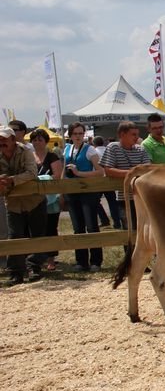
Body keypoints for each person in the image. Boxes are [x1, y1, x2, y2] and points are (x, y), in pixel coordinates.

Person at [0, 126, 48, 286]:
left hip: (33, 200)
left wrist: (12, 180)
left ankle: (34, 268)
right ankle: (16, 273)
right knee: (15, 236)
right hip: (13, 203)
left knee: (36, 235)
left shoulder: (26, 151)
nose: (2, 142)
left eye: (4, 138)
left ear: (13, 139)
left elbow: (31, 173)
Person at [63, 122, 105, 272]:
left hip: (88, 192)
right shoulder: (67, 149)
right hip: (72, 192)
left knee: (92, 226)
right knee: (77, 228)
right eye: (75, 134)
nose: (78, 136)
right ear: (70, 135)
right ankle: (81, 261)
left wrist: (79, 173)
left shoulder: (90, 150)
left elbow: (100, 172)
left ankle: (96, 261)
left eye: (81, 133)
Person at [99, 121, 151, 230]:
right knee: (128, 229)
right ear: (122, 134)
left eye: (137, 134)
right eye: (133, 134)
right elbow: (108, 170)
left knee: (143, 229)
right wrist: (134, 173)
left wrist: (129, 173)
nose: (137, 137)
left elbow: (147, 169)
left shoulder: (140, 149)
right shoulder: (113, 147)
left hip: (142, 197)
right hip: (123, 198)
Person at [30, 128, 63, 271]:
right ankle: (37, 259)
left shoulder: (52, 157)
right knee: (35, 229)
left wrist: (40, 179)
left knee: (50, 228)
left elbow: (57, 175)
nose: (37, 142)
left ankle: (51, 259)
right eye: (34, 140)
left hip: (51, 200)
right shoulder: (29, 157)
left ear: (46, 142)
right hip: (33, 199)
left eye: (40, 139)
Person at [93, 136, 121, 229]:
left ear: (94, 143)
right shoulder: (108, 150)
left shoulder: (94, 152)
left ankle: (104, 219)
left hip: (99, 180)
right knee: (112, 203)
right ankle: (117, 222)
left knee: (95, 201)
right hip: (109, 179)